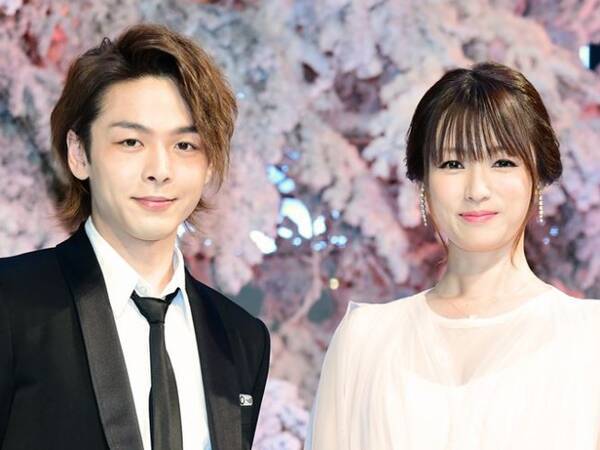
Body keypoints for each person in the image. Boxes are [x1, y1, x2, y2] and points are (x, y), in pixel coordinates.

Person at [0, 24, 269, 450]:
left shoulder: (241, 338)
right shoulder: (12, 303)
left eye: (185, 146)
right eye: (131, 141)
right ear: (79, 153)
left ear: (210, 165)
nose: (159, 170)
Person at [306, 62, 600, 450]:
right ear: (423, 184)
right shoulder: (364, 341)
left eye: (503, 162)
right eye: (453, 164)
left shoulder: (588, 338)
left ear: (538, 178)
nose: (477, 189)